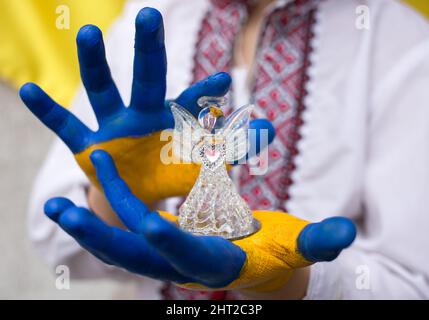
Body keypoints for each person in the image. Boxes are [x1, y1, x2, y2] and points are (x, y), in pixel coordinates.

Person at [20, 0, 429, 299]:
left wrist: (281, 278)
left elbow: (412, 283)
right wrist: (118, 188)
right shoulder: (158, 14)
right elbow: (59, 248)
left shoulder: (400, 44)